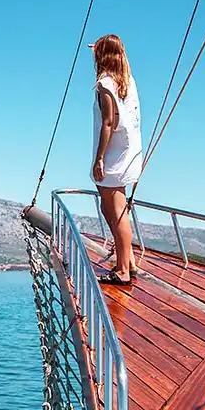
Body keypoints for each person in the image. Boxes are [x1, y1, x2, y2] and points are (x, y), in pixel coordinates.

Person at [89, 34, 142, 286]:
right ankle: (128, 261)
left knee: (116, 210)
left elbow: (108, 122)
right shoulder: (127, 82)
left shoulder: (105, 85)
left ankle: (123, 270)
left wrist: (99, 158)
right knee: (108, 206)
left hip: (114, 153)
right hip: (128, 150)